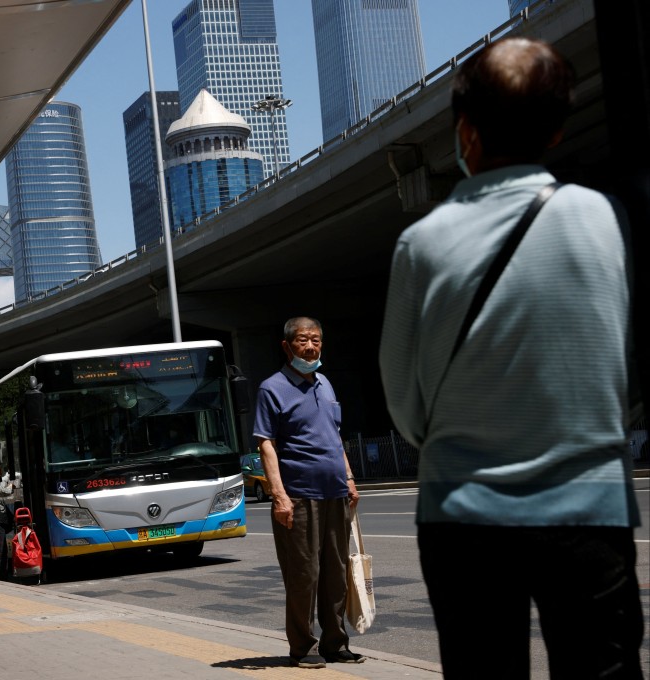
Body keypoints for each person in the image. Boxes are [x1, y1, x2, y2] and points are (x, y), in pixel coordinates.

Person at [378, 37, 643, 679]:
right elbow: (628, 372)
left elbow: (406, 405)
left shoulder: (421, 244)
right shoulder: (606, 219)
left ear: (465, 131)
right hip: (590, 508)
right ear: (556, 128)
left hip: (462, 516)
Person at [253, 317, 362, 669]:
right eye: (303, 340)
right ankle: (303, 647)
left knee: (336, 572)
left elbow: (334, 435)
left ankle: (336, 643)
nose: (311, 347)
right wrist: (279, 496)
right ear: (287, 346)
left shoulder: (326, 384)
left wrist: (348, 477)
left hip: (334, 493)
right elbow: (266, 444)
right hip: (298, 496)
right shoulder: (272, 388)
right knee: (304, 575)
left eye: (316, 340)